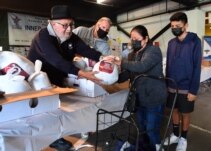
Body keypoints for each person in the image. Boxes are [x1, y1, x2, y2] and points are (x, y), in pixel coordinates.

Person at [27, 5, 110, 150]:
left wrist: (104, 57)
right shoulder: (43, 37)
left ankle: (56, 136)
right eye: (64, 25)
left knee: (56, 110)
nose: (69, 29)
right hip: (38, 81)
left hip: (58, 78)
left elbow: (86, 50)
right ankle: (51, 139)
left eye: (71, 24)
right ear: (52, 24)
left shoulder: (71, 37)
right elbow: (56, 60)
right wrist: (82, 73)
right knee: (44, 112)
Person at [115, 25, 167, 151]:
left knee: (151, 128)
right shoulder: (132, 55)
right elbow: (127, 74)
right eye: (132, 38)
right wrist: (110, 76)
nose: (133, 41)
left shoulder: (153, 50)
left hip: (153, 96)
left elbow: (142, 66)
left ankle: (158, 147)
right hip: (139, 97)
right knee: (142, 126)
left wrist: (121, 62)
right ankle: (146, 147)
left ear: (145, 39)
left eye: (136, 38)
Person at [164, 12, 202, 151]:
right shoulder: (171, 43)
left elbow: (197, 66)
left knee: (185, 113)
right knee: (173, 110)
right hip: (172, 86)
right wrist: (167, 84)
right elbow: (168, 64)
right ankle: (175, 134)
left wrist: (193, 90)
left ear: (186, 25)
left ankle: (183, 138)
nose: (174, 28)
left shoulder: (194, 41)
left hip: (187, 87)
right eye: (172, 26)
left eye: (178, 26)